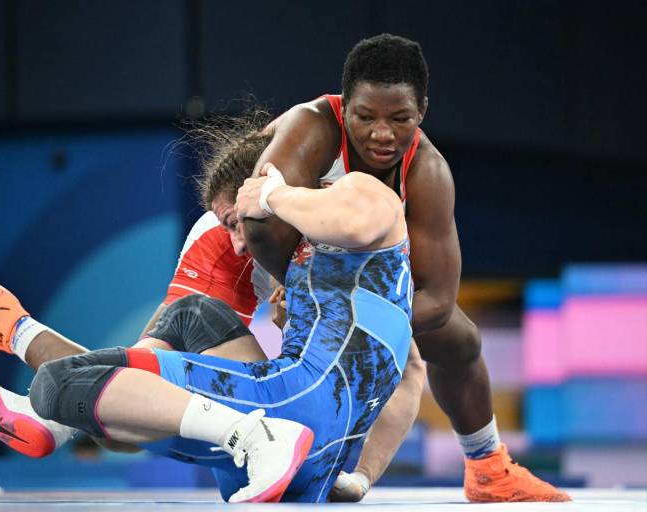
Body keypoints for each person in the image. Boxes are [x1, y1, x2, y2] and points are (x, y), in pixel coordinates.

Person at [0, 151, 414, 502]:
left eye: (239, 223)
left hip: (297, 415)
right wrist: (358, 475)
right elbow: (155, 386)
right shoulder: (223, 243)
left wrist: (364, 474)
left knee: (77, 393)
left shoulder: (341, 210)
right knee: (152, 376)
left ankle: (18, 342)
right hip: (306, 421)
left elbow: (414, 361)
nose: (239, 244)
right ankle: (52, 409)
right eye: (227, 226)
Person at [239, 34, 570, 502]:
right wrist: (302, 291)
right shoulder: (310, 127)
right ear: (343, 103)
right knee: (220, 318)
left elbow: (437, 300)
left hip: (361, 281)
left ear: (423, 112)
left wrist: (360, 323)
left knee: (459, 339)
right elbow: (258, 226)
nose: (382, 134)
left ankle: (488, 468)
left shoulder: (428, 171)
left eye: (400, 119)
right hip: (260, 253)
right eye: (365, 117)